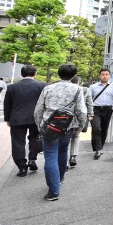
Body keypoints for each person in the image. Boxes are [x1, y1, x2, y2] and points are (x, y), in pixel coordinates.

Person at [34, 64, 86, 201]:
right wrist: (81, 124)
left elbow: (38, 110)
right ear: (74, 75)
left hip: (49, 126)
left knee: (50, 156)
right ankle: (60, 178)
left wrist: (40, 126)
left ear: (58, 74)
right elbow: (81, 110)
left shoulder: (48, 88)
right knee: (63, 151)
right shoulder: (77, 89)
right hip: (67, 126)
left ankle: (54, 191)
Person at [3, 65, 46, 177]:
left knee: (18, 142)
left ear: (22, 74)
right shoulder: (41, 85)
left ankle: (22, 166)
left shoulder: (12, 87)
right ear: (35, 73)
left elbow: (7, 104)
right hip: (35, 118)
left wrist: (7, 119)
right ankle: (32, 159)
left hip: (17, 118)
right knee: (35, 138)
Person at [89, 68, 113, 159]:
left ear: (109, 76)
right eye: (103, 74)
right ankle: (98, 150)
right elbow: (88, 99)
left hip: (108, 110)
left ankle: (100, 147)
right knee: (96, 128)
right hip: (95, 110)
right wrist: (88, 111)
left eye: (106, 74)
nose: (104, 76)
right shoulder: (93, 87)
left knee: (104, 129)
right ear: (100, 75)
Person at [68, 76, 94, 167]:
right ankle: (73, 157)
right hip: (79, 117)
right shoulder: (85, 90)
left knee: (65, 137)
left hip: (65, 117)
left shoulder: (66, 89)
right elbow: (89, 103)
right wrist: (90, 114)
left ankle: (65, 159)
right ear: (79, 82)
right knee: (76, 136)